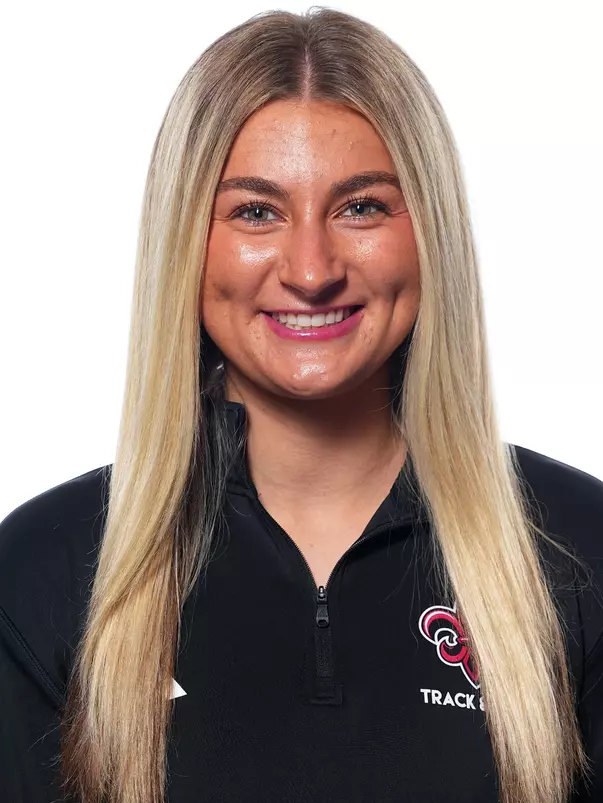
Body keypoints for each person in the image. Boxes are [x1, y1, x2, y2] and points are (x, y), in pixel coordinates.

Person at [1, 7, 602, 803]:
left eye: (361, 207)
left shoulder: (577, 548)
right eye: (255, 211)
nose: (311, 269)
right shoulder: (49, 567)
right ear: (186, 240)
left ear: (429, 234)